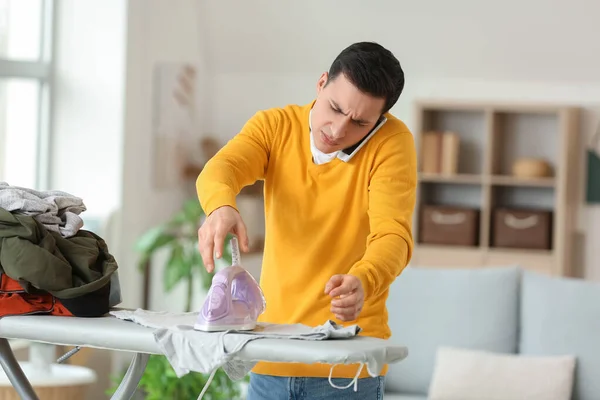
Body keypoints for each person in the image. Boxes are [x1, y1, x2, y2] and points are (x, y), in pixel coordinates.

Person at [196, 41, 417, 400]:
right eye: (334, 107)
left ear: (379, 120)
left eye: (359, 122)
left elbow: (393, 234)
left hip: (347, 368)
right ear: (321, 83)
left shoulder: (392, 143)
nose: (338, 129)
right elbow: (222, 169)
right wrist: (221, 205)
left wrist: (365, 280)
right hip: (271, 358)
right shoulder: (275, 126)